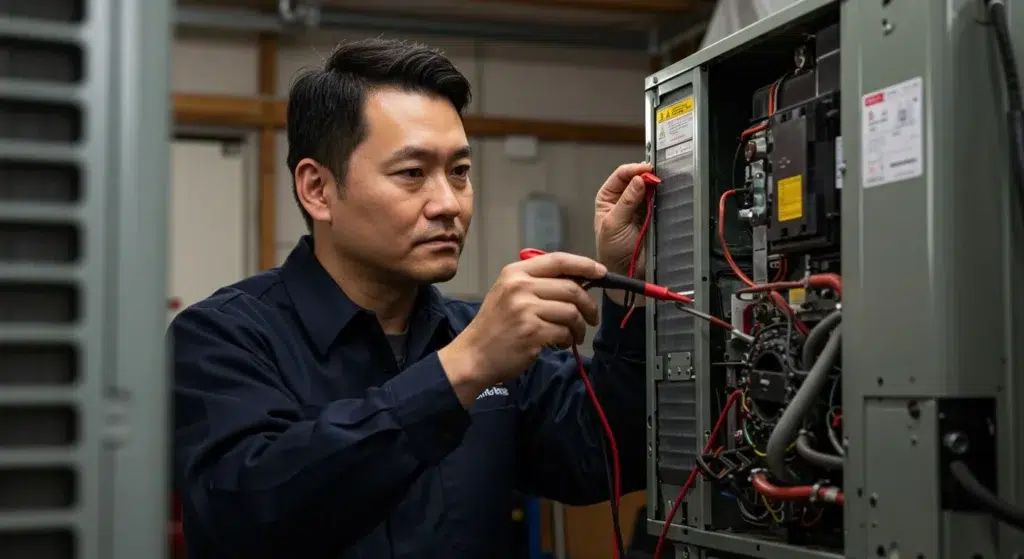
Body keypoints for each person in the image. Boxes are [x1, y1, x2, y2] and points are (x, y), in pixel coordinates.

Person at [171, 38, 653, 559]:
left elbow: (605, 453)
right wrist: (460, 371)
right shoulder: (222, 338)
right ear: (317, 189)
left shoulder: (480, 338)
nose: (448, 204)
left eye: (460, 172)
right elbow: (249, 513)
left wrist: (628, 292)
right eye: (412, 174)